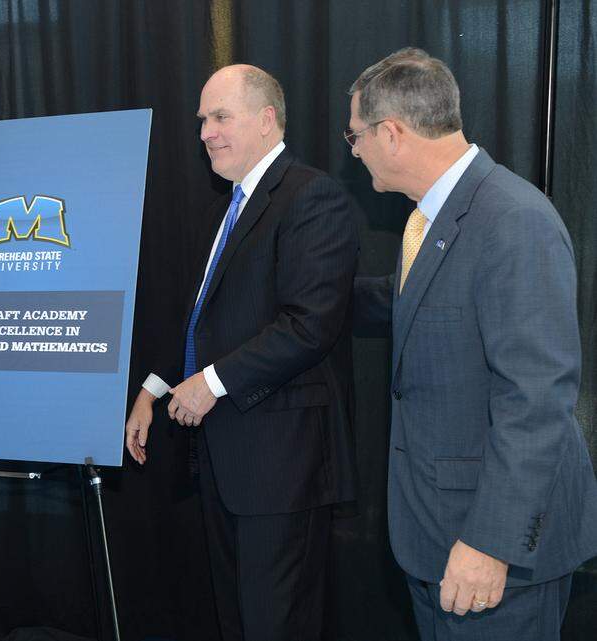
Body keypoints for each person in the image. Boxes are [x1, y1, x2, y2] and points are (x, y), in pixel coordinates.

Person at [348, 47, 597, 641]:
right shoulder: (429, 220)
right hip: (432, 536)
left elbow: (536, 400)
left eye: (355, 135)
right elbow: (417, 303)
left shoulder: (514, 221)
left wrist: (491, 540)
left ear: (393, 133)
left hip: (489, 556)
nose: (351, 151)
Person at [124, 64, 359, 641]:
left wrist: (213, 383)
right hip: (223, 464)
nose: (205, 131)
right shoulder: (226, 208)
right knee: (236, 622)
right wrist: (155, 389)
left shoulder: (312, 197)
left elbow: (308, 326)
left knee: (276, 626)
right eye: (203, 119)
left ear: (267, 120)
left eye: (220, 116)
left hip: (281, 468)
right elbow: (202, 319)